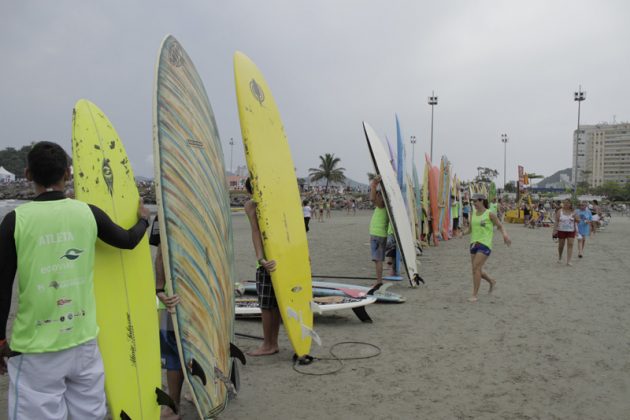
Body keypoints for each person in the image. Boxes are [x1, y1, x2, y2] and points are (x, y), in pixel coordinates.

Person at [0, 141, 150, 419]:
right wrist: (143, 220)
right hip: (83, 342)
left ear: (28, 174)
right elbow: (127, 241)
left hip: (36, 348)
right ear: (68, 174)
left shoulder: (14, 220)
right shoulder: (87, 213)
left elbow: (2, 286)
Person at [149, 217, 183, 419]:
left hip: (175, 290)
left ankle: (173, 406)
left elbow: (162, 253)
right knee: (203, 344)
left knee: (173, 350)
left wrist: (160, 288)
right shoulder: (207, 204)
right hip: (206, 291)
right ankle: (200, 395)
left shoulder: (166, 207)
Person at [244, 178, 278, 356]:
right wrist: (261, 258)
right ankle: (270, 344)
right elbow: (256, 231)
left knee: (272, 304)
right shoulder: (251, 206)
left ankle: (270, 344)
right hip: (266, 261)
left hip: (280, 260)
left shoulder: (276, 202)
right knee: (268, 304)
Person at [465, 193, 511, 303]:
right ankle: (491, 281)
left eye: (475, 201)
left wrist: (505, 235)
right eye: (473, 202)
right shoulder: (473, 214)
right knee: (476, 269)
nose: (474, 204)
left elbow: (500, 226)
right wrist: (462, 233)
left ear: (481, 201)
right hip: (473, 244)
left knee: (476, 268)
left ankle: (474, 295)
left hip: (485, 244)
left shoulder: (489, 214)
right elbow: (470, 230)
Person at [369, 176, 389, 288]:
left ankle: (379, 281)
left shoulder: (382, 205)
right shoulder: (383, 206)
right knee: (378, 259)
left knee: (378, 260)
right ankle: (379, 280)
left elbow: (372, 199)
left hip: (378, 235)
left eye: (379, 195)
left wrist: (374, 185)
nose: (377, 196)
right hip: (379, 234)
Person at [553, 199, 579, 266]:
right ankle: (560, 257)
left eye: (568, 203)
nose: (566, 204)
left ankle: (569, 261)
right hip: (561, 230)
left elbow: (578, 220)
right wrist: (554, 231)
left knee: (570, 244)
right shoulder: (560, 211)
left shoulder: (574, 212)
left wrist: (576, 218)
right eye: (565, 203)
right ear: (563, 204)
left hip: (571, 231)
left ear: (570, 204)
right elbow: (556, 221)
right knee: (561, 245)